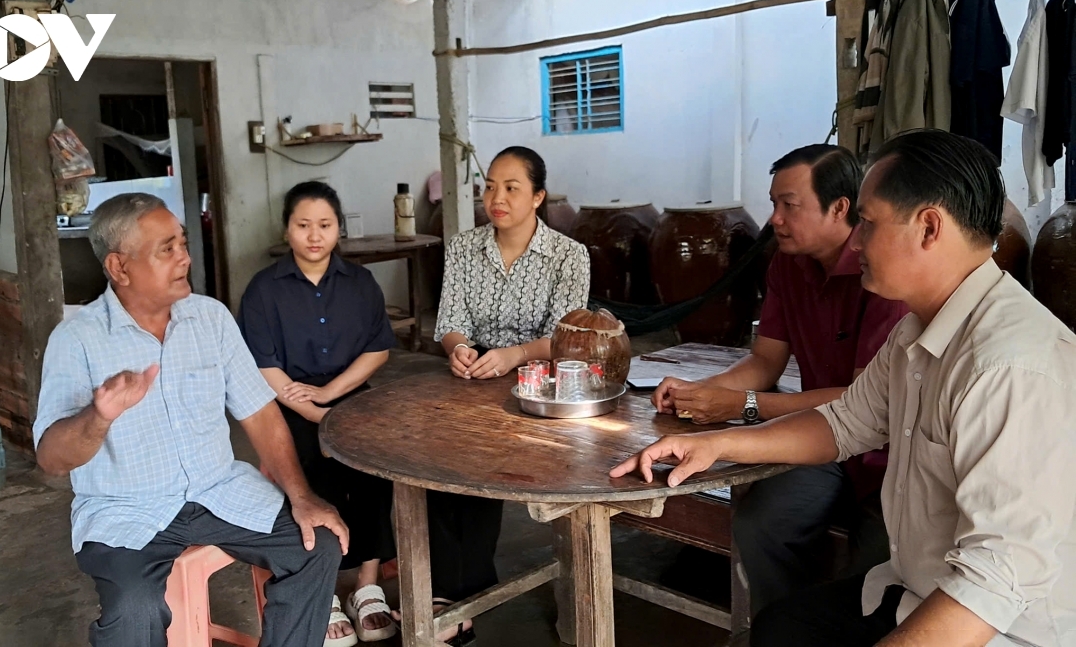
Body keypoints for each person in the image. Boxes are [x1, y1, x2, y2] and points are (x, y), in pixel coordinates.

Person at [612, 129, 1076, 647]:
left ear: (928, 227)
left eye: (869, 223)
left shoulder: (1010, 366)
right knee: (780, 627)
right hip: (915, 588)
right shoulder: (919, 331)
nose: (855, 241)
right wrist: (714, 443)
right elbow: (846, 421)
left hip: (1001, 630)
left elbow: (995, 583)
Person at [34, 193, 350, 647]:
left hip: (219, 489)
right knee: (135, 610)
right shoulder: (77, 340)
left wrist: (302, 496)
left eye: (182, 243)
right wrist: (98, 416)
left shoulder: (210, 317)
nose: (184, 257)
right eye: (166, 249)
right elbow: (51, 459)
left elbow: (260, 414)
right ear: (119, 268)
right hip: (125, 508)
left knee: (318, 543)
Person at [653, 144, 908, 614]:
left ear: (841, 209)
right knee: (761, 526)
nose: (775, 219)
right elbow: (765, 362)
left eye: (789, 205)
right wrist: (706, 392)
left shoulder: (885, 277)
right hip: (822, 441)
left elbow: (861, 404)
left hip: (888, 452)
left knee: (874, 572)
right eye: (773, 204)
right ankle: (784, 626)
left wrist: (741, 406)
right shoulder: (787, 265)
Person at [430, 146, 590, 643]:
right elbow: (450, 323)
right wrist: (458, 349)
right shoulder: (462, 247)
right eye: (490, 187)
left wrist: (515, 355)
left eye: (511, 187)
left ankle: (460, 594)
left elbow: (568, 338)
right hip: (473, 376)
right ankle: (448, 592)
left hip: (539, 387)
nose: (496, 198)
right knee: (435, 464)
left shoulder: (569, 256)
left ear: (538, 197)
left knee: (481, 468)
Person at [238, 181, 398, 646]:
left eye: (324, 225)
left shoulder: (360, 283)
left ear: (338, 230)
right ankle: (322, 589)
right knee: (307, 471)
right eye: (303, 225)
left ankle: (367, 584)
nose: (314, 235)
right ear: (287, 230)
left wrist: (330, 395)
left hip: (351, 397)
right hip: (288, 403)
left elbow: (377, 350)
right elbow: (264, 365)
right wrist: (311, 412)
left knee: (374, 471)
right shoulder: (264, 290)